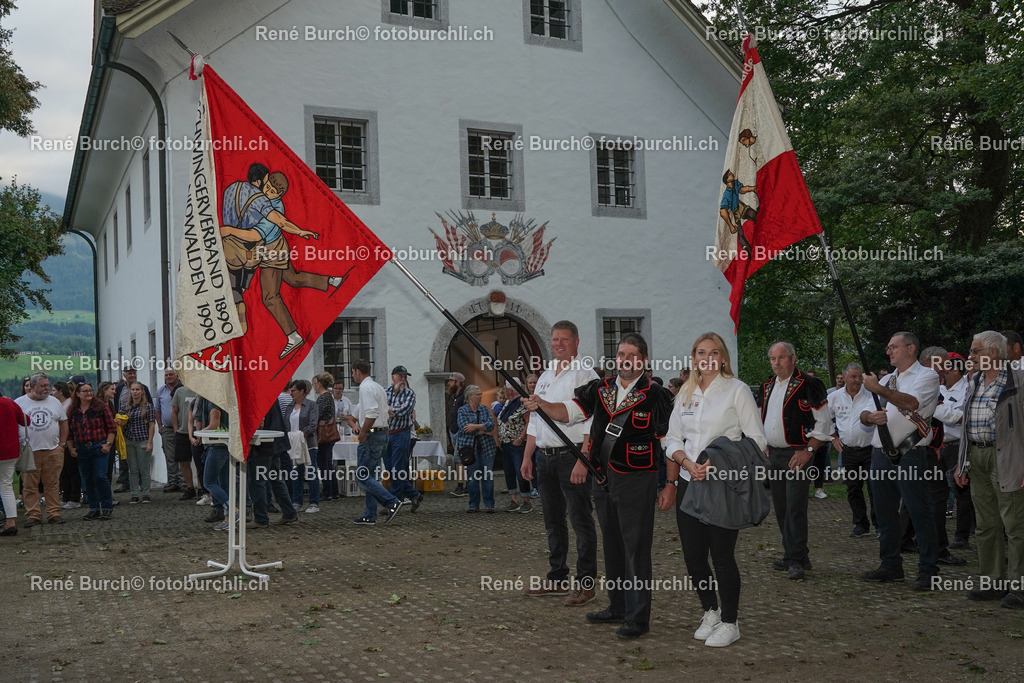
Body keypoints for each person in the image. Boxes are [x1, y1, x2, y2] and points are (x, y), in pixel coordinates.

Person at [531, 333, 673, 639]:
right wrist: (542, 404)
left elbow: (669, 442)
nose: (624, 360)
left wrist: (670, 483)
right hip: (604, 478)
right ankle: (617, 606)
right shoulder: (601, 388)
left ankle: (638, 618)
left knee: (636, 549)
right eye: (621, 354)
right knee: (613, 544)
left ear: (644, 361)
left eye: (632, 355)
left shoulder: (656, 395)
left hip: (638, 479)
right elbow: (567, 412)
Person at [660, 332, 766, 646]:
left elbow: (756, 441)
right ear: (694, 357)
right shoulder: (684, 393)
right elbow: (672, 438)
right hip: (688, 484)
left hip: (722, 487)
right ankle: (711, 611)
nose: (707, 357)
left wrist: (717, 464)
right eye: (701, 352)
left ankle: (731, 622)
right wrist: (686, 462)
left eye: (714, 352)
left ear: (722, 358)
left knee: (721, 557)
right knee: (694, 557)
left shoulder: (737, 390)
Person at [521, 321, 599, 606]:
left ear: (577, 342)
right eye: (555, 339)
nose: (559, 344)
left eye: (565, 339)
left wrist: (584, 458)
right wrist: (528, 455)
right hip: (544, 456)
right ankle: (556, 577)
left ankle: (586, 584)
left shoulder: (585, 375)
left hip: (572, 455)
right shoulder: (543, 376)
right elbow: (535, 419)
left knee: (580, 520)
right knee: (553, 522)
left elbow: (592, 419)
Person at [860, 331, 941, 591]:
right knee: (884, 514)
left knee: (919, 511)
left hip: (910, 453)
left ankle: (929, 570)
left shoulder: (926, 376)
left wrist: (878, 389)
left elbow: (912, 402)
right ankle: (890, 564)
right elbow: (861, 414)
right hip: (880, 454)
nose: (888, 351)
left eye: (893, 347)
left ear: (911, 349)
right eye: (888, 347)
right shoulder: (886, 379)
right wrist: (870, 418)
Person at [954, 331, 1024, 608]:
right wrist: (962, 463)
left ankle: (1019, 587)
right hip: (977, 456)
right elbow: (965, 426)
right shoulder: (974, 381)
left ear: (994, 353)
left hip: (1007, 458)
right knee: (986, 524)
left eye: (975, 351)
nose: (970, 356)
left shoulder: (1018, 380)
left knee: (1015, 525)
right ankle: (993, 582)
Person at [755, 343, 830, 580]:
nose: (776, 363)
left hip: (799, 454)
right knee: (781, 508)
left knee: (795, 507)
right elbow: (760, 418)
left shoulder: (809, 384)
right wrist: (763, 443)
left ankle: (795, 559)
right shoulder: (767, 386)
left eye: (781, 358)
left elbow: (824, 422)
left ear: (793, 358)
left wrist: (809, 450)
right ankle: (796, 554)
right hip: (774, 455)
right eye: (772, 359)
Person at [351, 360, 403, 525]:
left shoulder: (366, 388)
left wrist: (363, 432)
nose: (352, 376)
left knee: (363, 475)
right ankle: (370, 514)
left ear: (357, 372)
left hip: (372, 435)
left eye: (352, 372)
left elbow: (372, 413)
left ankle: (391, 502)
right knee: (371, 475)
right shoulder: (378, 387)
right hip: (382, 433)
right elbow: (386, 410)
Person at [828, 362, 877, 537]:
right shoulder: (834, 397)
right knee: (853, 489)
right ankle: (860, 524)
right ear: (844, 377)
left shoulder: (871, 395)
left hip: (871, 450)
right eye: (853, 376)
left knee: (874, 488)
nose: (857, 380)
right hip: (848, 451)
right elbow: (825, 418)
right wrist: (833, 438)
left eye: (859, 376)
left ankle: (879, 524)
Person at [15, 373, 69, 526]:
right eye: (42, 386)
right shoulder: (19, 403)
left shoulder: (54, 402)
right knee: (29, 485)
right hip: (29, 451)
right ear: (32, 387)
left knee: (52, 483)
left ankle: (54, 513)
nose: (47, 389)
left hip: (53, 449)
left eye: (47, 385)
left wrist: (62, 445)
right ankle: (33, 515)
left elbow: (64, 422)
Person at [935, 352, 973, 550]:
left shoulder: (968, 389)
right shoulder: (938, 388)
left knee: (962, 492)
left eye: (945, 367)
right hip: (940, 446)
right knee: (938, 493)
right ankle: (938, 534)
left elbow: (963, 417)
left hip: (959, 446)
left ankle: (962, 536)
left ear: (956, 369)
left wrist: (941, 412)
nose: (941, 370)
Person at [66, 382, 116, 520]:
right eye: (85, 391)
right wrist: (71, 448)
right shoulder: (73, 411)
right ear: (77, 394)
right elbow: (69, 433)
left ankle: (106, 506)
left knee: (100, 476)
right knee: (87, 479)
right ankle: (94, 508)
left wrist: (108, 445)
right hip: (82, 448)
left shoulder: (100, 408)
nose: (88, 393)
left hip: (98, 446)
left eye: (90, 390)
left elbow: (112, 428)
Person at [247, 402, 298, 528]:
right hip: (274, 442)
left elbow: (259, 423)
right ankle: (289, 513)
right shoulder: (269, 392)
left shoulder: (259, 394)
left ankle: (261, 518)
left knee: (257, 482)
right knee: (276, 479)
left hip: (263, 444)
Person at [385, 366, 421, 512]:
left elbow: (404, 411)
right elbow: (380, 408)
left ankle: (393, 503)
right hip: (387, 434)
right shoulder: (385, 391)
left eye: (405, 376)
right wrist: (391, 409)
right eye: (401, 376)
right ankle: (414, 494)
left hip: (402, 434)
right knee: (390, 469)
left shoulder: (410, 393)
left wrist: (390, 409)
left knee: (397, 469)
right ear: (393, 377)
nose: (404, 379)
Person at [456, 385, 496, 512]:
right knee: (472, 478)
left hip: (487, 448)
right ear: (470, 396)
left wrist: (475, 426)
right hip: (470, 450)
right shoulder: (462, 411)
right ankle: (474, 504)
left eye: (480, 394)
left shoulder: (484, 409)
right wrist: (482, 429)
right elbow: (464, 427)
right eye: (478, 394)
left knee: (487, 476)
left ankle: (489, 504)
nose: (481, 396)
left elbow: (491, 425)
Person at [112, 367, 152, 494]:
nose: (132, 375)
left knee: (143, 466)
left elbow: (150, 416)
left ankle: (144, 489)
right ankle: (126, 484)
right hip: (125, 429)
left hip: (141, 433)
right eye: (129, 373)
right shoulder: (119, 389)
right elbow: (116, 406)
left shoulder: (144, 389)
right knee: (126, 461)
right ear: (124, 375)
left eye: (134, 373)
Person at [285, 380, 320, 513]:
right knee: (295, 473)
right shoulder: (290, 406)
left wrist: (302, 435)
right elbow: (286, 423)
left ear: (301, 391)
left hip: (308, 444)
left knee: (311, 472)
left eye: (293, 390)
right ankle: (297, 501)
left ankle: (314, 502)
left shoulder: (311, 405)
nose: (291, 393)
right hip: (293, 444)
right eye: (290, 390)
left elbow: (313, 424)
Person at [497, 381, 531, 513]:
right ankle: (514, 500)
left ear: (511, 390)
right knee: (509, 471)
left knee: (520, 471)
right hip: (505, 443)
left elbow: (529, 421)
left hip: (516, 443)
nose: (504, 390)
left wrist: (521, 438)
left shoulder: (521, 403)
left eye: (506, 388)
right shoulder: (507, 403)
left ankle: (526, 500)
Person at [122, 382, 156, 504]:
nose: (135, 392)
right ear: (130, 392)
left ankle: (146, 493)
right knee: (133, 469)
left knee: (144, 469)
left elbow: (152, 425)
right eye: (133, 389)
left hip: (143, 439)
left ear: (142, 391)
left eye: (137, 389)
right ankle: (134, 494)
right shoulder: (126, 407)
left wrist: (150, 442)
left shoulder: (148, 407)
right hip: (130, 440)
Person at [0, 391, 29, 535]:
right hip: (10, 451)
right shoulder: (9, 403)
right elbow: (26, 421)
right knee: (6, 486)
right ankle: (11, 522)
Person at [154, 369, 185, 493]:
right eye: (166, 375)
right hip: (167, 428)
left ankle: (184, 482)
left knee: (183, 456)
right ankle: (173, 482)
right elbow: (157, 410)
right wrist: (160, 426)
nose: (168, 377)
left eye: (171, 374)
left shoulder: (182, 389)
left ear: (177, 376)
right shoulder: (161, 390)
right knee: (170, 456)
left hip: (182, 428)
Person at [170, 383, 200, 500]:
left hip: (197, 432)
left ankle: (202, 489)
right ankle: (190, 488)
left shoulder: (202, 390)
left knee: (199, 462)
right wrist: (176, 429)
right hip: (182, 432)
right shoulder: (180, 391)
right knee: (183, 461)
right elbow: (174, 411)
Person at [312, 372, 339, 502]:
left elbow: (317, 415)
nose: (314, 387)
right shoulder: (329, 396)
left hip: (324, 434)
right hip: (329, 433)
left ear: (319, 384)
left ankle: (327, 491)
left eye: (314, 384)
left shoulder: (323, 398)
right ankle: (334, 491)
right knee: (328, 463)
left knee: (323, 464)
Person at [446, 372, 468, 497]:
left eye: (451, 381)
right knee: (459, 458)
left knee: (459, 458)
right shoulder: (453, 396)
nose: (449, 383)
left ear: (457, 382)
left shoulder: (464, 396)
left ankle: (461, 486)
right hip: (453, 430)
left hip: (460, 430)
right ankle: (465, 485)